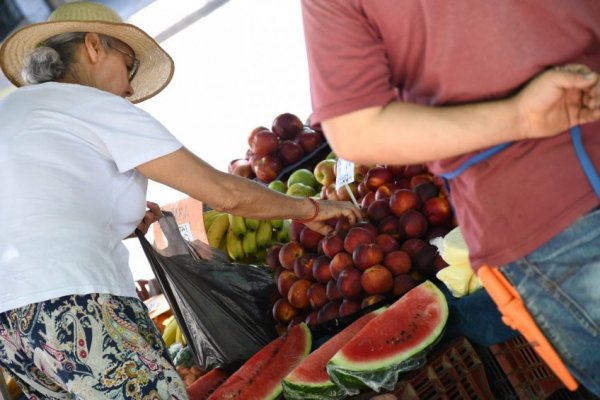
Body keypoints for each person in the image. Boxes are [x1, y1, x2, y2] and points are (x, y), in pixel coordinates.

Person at [0, 2, 362, 399]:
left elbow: (36, 210)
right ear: (93, 47)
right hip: (75, 303)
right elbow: (224, 194)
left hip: (12, 329)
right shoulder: (90, 103)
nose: (130, 87)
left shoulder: (16, 110)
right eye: (130, 64)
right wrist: (310, 209)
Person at [300, 0, 600, 396]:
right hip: (546, 214)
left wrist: (521, 118)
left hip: (535, 211)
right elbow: (354, 130)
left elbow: (356, 129)